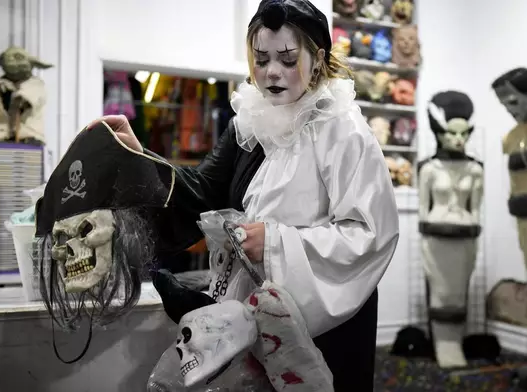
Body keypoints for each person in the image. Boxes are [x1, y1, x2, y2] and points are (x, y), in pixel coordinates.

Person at [88, 0, 399, 390]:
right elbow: (201, 193)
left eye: (288, 59)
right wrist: (137, 158)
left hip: (328, 318)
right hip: (257, 310)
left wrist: (276, 241)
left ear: (317, 59)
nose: (272, 72)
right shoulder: (251, 124)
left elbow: (369, 234)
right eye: (261, 57)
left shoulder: (342, 130)